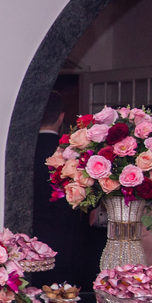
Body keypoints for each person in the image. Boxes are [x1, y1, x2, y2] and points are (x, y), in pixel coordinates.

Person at [31, 91, 93, 287]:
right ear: (61, 117)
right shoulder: (72, 154)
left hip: (29, 237)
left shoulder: (23, 152)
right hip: (66, 239)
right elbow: (89, 199)